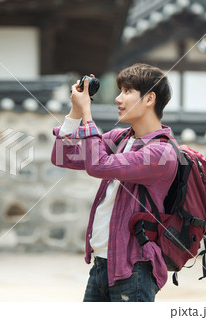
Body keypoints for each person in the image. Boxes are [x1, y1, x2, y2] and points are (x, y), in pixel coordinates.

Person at [51, 63, 177, 302]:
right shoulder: (119, 139)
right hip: (100, 267)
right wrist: (75, 113)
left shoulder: (162, 152)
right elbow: (62, 157)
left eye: (127, 91)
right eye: (120, 90)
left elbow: (99, 165)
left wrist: (88, 113)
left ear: (149, 99)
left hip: (133, 269)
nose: (118, 99)